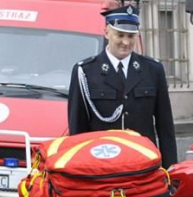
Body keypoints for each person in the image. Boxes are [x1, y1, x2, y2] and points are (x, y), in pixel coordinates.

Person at [68, 5, 177, 168]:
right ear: (106, 33)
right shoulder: (85, 71)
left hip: (143, 164)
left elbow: (165, 126)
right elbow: (77, 129)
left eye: (131, 36)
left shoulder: (152, 70)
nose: (126, 42)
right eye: (120, 35)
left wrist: (171, 171)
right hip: (102, 165)